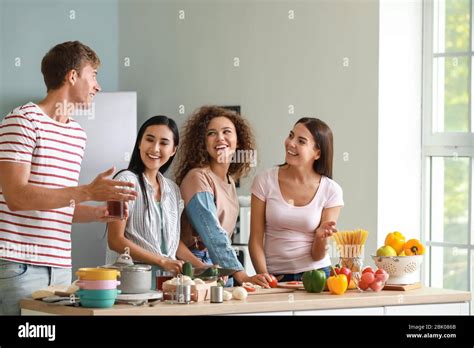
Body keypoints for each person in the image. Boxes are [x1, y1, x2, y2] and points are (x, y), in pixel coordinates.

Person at [0, 41, 137, 315]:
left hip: (62, 268)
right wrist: (87, 191)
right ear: (72, 76)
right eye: (94, 75)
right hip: (20, 265)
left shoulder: (77, 135)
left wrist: (99, 213)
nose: (98, 86)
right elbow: (16, 197)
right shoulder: (22, 121)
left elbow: (59, 206)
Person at [175, 106, 270, 287]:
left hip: (219, 267)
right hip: (195, 266)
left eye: (227, 132)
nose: (220, 138)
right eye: (211, 133)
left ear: (238, 141)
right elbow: (212, 233)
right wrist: (241, 275)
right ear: (203, 143)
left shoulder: (229, 182)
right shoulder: (198, 177)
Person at [106, 116, 210, 277]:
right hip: (130, 282)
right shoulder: (123, 182)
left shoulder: (173, 190)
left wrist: (202, 266)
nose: (155, 148)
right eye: (149, 140)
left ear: (173, 150)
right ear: (140, 143)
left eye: (164, 143)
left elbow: (172, 244)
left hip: (165, 284)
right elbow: (115, 240)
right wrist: (162, 261)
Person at [249, 117, 344, 284]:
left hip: (317, 276)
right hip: (275, 277)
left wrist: (321, 237)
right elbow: (255, 239)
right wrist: (265, 277)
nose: (290, 143)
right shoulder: (264, 180)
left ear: (317, 153)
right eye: (291, 136)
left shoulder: (331, 190)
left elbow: (317, 255)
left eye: (301, 141)